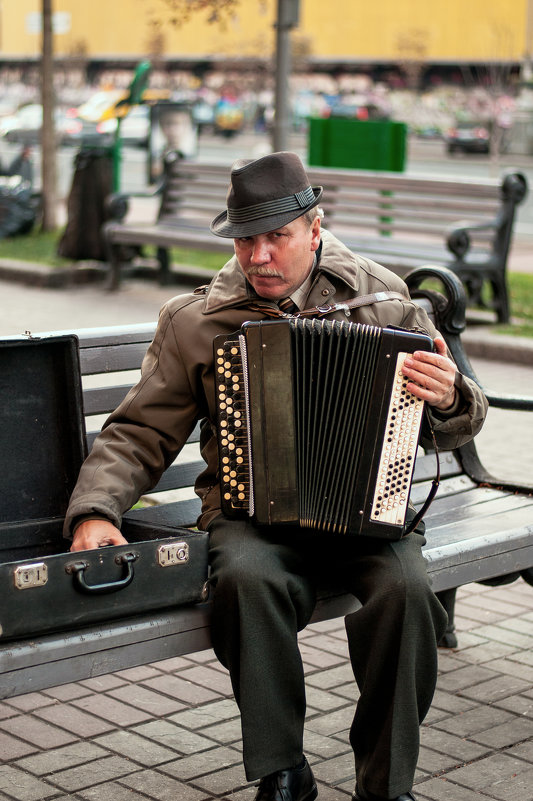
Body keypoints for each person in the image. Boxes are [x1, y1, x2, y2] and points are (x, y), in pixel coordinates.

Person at [65, 151, 488, 801]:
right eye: (244, 239)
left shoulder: (382, 298)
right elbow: (139, 432)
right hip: (249, 515)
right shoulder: (194, 320)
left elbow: (454, 420)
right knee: (242, 577)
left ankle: (386, 781)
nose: (257, 255)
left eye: (275, 237)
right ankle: (282, 767)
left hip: (364, 508)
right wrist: (96, 510)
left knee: (405, 589)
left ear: (313, 229)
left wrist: (451, 395)